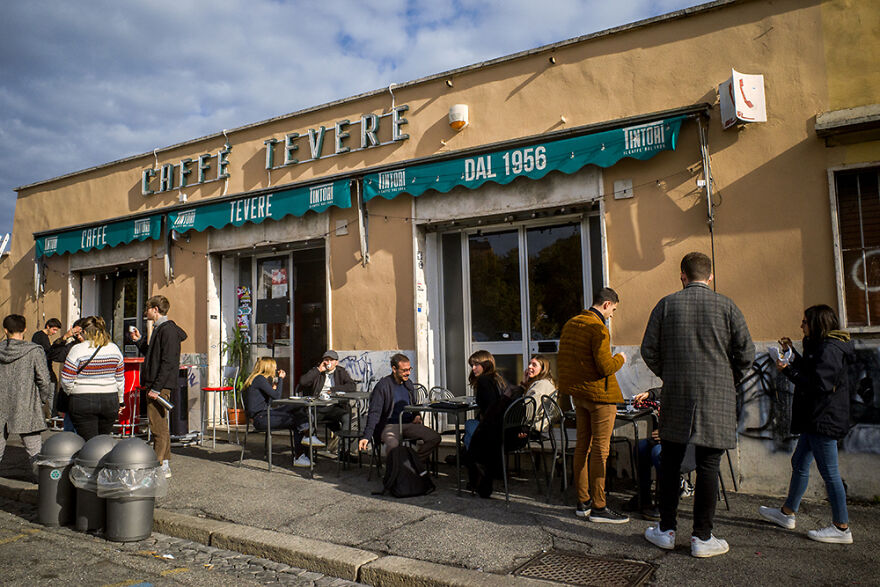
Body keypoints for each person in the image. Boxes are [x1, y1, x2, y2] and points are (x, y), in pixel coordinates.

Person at [640, 252, 754, 558]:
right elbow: (747, 353)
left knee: (670, 462)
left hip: (677, 395)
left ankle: (666, 530)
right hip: (717, 396)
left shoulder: (666, 305)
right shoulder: (727, 306)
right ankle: (703, 537)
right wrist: (729, 379)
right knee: (707, 465)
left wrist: (671, 374)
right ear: (711, 276)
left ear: (682, 276)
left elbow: (648, 349)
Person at [757, 305, 854, 544]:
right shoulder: (822, 346)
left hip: (824, 419)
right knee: (799, 461)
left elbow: (817, 385)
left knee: (829, 472)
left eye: (805, 322)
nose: (801, 326)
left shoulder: (831, 349)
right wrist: (792, 354)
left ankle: (841, 527)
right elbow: (813, 370)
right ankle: (787, 513)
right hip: (816, 419)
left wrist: (788, 370)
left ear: (817, 324)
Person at [558, 287, 629, 524]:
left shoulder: (570, 324)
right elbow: (605, 367)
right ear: (607, 304)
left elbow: (565, 363)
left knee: (582, 448)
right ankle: (599, 506)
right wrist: (621, 359)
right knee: (600, 450)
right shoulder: (598, 328)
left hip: (579, 396)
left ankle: (582, 502)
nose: (612, 315)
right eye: (614, 310)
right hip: (600, 398)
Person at [131, 295, 187, 479]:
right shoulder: (162, 329)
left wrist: (156, 388)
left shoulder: (166, 330)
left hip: (159, 386)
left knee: (158, 426)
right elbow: (153, 356)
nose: (145, 312)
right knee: (161, 424)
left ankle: (158, 465)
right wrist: (139, 341)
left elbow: (168, 362)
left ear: (155, 309)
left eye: (147, 308)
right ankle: (164, 465)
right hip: (157, 384)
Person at [358, 353, 441, 464]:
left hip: (408, 423)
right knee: (393, 445)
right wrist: (367, 436)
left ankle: (412, 464)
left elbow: (414, 404)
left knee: (434, 437)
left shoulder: (408, 384)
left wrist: (416, 415)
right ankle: (396, 473)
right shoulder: (383, 386)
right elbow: (374, 412)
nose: (408, 373)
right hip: (390, 426)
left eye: (409, 369)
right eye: (404, 370)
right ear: (394, 369)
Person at [0, 315, 53, 477]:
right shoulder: (34, 351)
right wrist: (42, 399)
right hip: (26, 404)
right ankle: (42, 490)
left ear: (5, 330)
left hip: (0, 404)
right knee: (35, 452)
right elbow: (44, 380)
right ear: (25, 329)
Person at [463, 349, 520, 498]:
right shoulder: (497, 378)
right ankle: (478, 471)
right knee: (470, 431)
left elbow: (491, 408)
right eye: (472, 365)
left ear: (486, 364)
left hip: (493, 430)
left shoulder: (484, 381)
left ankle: (476, 472)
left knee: (469, 429)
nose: (473, 368)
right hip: (505, 429)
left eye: (476, 365)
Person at [60, 316, 125, 441]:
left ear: (85, 332)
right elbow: (120, 379)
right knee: (103, 441)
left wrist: (72, 391)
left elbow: (66, 379)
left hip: (82, 400)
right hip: (109, 399)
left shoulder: (77, 349)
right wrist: (120, 400)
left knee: (87, 441)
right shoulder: (114, 349)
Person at [244, 357, 314, 467]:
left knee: (296, 407)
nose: (276, 369)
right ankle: (302, 451)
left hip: (264, 414)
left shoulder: (257, 379)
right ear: (269, 367)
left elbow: (271, 401)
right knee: (296, 420)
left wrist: (273, 388)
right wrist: (280, 379)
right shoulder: (260, 379)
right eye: (274, 366)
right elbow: (277, 396)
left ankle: (306, 435)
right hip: (261, 418)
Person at [299, 350, 355, 452]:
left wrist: (333, 390)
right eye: (326, 360)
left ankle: (344, 451)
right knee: (308, 416)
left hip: (334, 407)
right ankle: (307, 452)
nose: (328, 362)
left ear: (336, 362)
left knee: (346, 416)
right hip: (318, 407)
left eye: (331, 360)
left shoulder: (340, 372)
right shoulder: (317, 371)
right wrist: (318, 370)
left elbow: (352, 386)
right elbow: (303, 381)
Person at [520, 354, 557, 432]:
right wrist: (524, 383)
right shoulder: (547, 382)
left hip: (531, 428)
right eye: (529, 364)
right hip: (538, 425)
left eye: (534, 365)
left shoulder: (541, 385)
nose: (529, 366)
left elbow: (528, 412)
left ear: (543, 369)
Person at [30, 318, 62, 385]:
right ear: (48, 326)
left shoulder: (44, 336)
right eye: (54, 330)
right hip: (42, 369)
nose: (55, 332)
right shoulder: (39, 335)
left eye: (56, 330)